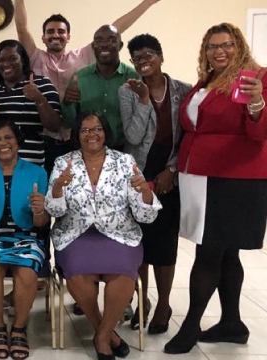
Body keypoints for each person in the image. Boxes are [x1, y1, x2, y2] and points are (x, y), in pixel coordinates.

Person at [164, 23, 267, 354]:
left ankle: (191, 326)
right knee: (227, 250)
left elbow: (259, 131)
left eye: (226, 45)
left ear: (239, 46)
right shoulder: (207, 82)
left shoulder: (257, 77)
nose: (218, 51)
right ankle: (232, 323)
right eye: (211, 46)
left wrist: (257, 106)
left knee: (208, 252)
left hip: (233, 178)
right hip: (200, 177)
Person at [45, 112, 161, 360]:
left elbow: (145, 215)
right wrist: (57, 189)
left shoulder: (124, 161)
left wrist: (145, 193)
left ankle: (101, 336)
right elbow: (55, 210)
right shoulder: (64, 162)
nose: (92, 135)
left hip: (120, 234)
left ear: (105, 132)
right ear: (77, 135)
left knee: (122, 274)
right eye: (85, 130)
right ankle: (107, 333)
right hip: (76, 234)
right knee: (77, 274)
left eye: (97, 129)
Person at [14, 0, 161, 173]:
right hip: (45, 139)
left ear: (68, 36)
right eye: (50, 32)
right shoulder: (35, 57)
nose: (56, 35)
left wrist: (146, 3)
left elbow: (114, 29)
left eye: (61, 31)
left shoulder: (82, 56)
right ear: (43, 38)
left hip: (77, 141)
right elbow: (22, 28)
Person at [119, 34, 192, 334]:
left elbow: (188, 138)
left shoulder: (184, 91)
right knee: (139, 243)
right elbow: (134, 137)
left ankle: (163, 304)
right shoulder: (128, 92)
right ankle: (141, 301)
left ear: (161, 56)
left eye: (148, 54)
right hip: (138, 175)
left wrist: (172, 171)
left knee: (165, 244)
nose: (143, 60)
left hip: (169, 178)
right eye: (136, 57)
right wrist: (145, 101)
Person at [0, 120, 49, 359]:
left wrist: (39, 210)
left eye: (8, 138)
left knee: (27, 271)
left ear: (18, 142)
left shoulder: (37, 172)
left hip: (27, 236)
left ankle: (19, 329)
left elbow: (41, 223)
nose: (3, 143)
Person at [0, 39, 62, 166]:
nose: (6, 64)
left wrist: (40, 100)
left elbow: (55, 126)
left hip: (31, 166)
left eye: (12, 58)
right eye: (1, 60)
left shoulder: (42, 84)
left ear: (23, 60)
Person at [62, 25, 140, 151]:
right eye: (99, 40)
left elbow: (141, 121)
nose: (104, 44)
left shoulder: (134, 78)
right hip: (86, 153)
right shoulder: (79, 77)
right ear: (93, 46)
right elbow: (68, 123)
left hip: (122, 152)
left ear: (120, 45)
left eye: (111, 40)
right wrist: (67, 103)